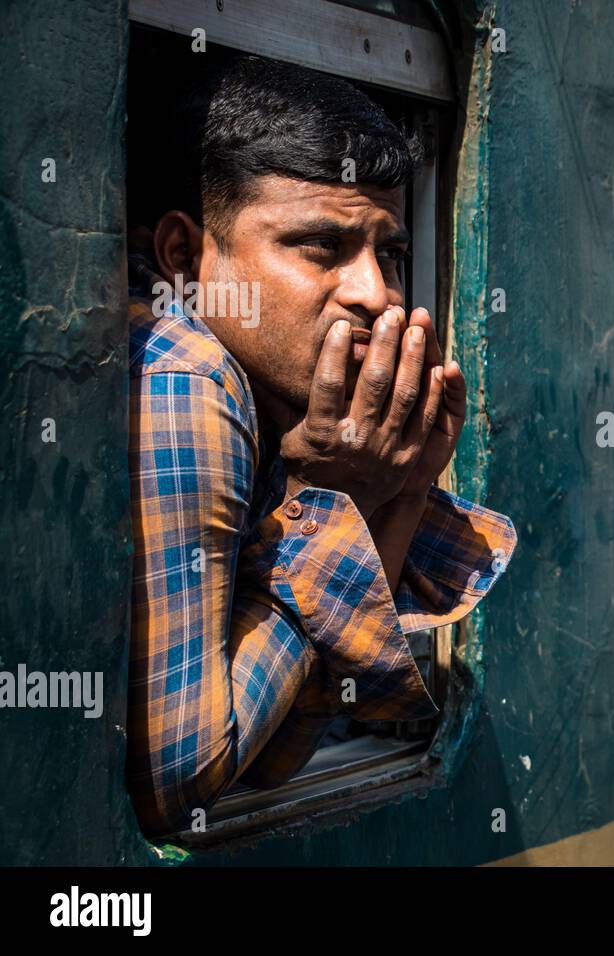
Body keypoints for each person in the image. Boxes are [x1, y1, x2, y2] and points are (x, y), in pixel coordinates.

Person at [125, 56, 515, 837]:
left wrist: (393, 491)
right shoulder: (189, 378)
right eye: (320, 247)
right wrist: (344, 501)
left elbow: (271, 760)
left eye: (390, 255)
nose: (378, 293)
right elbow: (185, 783)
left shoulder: (281, 400)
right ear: (181, 257)